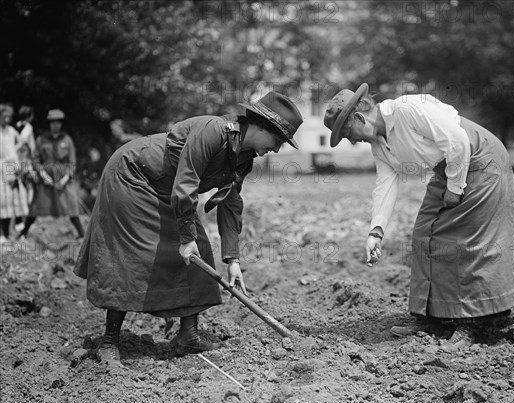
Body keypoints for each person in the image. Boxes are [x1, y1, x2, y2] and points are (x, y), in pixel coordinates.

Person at [74, 91, 303, 366]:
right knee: (130, 255)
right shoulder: (212, 131)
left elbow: (231, 204)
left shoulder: (243, 158)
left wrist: (232, 259)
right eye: (276, 140)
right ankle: (110, 340)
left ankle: (188, 335)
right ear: (259, 125)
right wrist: (185, 237)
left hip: (168, 189)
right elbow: (186, 182)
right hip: (132, 175)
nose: (276, 149)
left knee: (200, 250)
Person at [323, 83, 514, 346]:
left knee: (462, 238)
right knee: (424, 234)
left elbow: (457, 141)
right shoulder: (379, 145)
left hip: (480, 159)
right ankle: (431, 317)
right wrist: (375, 232)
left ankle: (472, 323)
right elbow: (385, 185)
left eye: (347, 133)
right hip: (448, 169)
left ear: (358, 116)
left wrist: (455, 187)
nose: (352, 141)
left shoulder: (407, 109)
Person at [17, 109, 85, 239]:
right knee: (36, 205)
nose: (55, 125)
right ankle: (24, 233)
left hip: (63, 178)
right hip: (46, 177)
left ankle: (81, 234)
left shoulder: (67, 139)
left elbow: (72, 162)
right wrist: (43, 175)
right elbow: (36, 160)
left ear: (61, 124)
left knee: (70, 205)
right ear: (49, 123)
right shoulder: (41, 139)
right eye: (53, 122)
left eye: (58, 122)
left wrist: (64, 180)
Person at [0, 104, 29, 243]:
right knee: (1, 200)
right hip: (1, 167)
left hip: (11, 167)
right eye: (4, 116)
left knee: (11, 200)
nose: (6, 119)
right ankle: (2, 234)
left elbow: (18, 144)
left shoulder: (11, 131)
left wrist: (17, 163)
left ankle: (9, 232)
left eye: (8, 117)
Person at [14, 105, 36, 232]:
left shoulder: (16, 126)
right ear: (29, 116)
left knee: (21, 187)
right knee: (30, 186)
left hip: (17, 161)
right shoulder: (28, 127)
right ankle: (26, 213)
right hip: (26, 161)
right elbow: (26, 143)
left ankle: (20, 217)